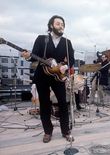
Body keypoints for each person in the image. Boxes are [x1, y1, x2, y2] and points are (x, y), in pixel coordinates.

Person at [21, 15, 75, 143]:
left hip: (58, 77)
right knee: (45, 104)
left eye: (62, 24)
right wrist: (28, 56)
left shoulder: (67, 42)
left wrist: (65, 67)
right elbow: (34, 56)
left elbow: (71, 59)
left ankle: (65, 130)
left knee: (63, 103)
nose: (61, 26)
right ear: (51, 25)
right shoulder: (42, 39)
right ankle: (47, 131)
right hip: (42, 76)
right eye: (58, 24)